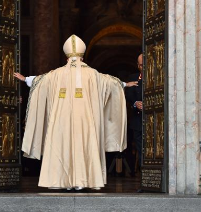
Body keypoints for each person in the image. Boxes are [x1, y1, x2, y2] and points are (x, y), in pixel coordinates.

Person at [14, 35, 138, 190]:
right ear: (83, 56)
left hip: (61, 122)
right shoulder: (93, 74)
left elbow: (39, 81)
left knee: (62, 145)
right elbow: (111, 83)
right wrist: (125, 84)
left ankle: (60, 181)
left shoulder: (56, 74)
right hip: (85, 121)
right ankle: (83, 181)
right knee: (84, 145)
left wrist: (25, 78)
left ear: (66, 58)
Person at [125, 54, 143, 170]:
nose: (144, 67)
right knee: (141, 150)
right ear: (138, 65)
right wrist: (135, 103)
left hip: (157, 121)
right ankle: (145, 180)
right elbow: (128, 95)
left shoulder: (159, 76)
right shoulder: (133, 77)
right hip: (138, 121)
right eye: (141, 65)